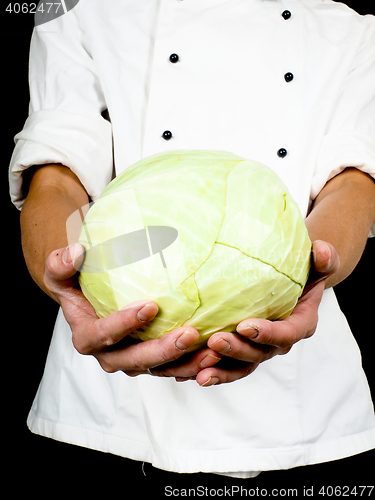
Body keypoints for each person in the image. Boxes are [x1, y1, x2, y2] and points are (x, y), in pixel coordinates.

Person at [8, 0, 375, 478]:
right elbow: (58, 180)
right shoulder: (79, 9)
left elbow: (352, 182)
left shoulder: (350, 31)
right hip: (107, 413)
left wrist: (305, 275)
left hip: (303, 411)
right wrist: (63, 275)